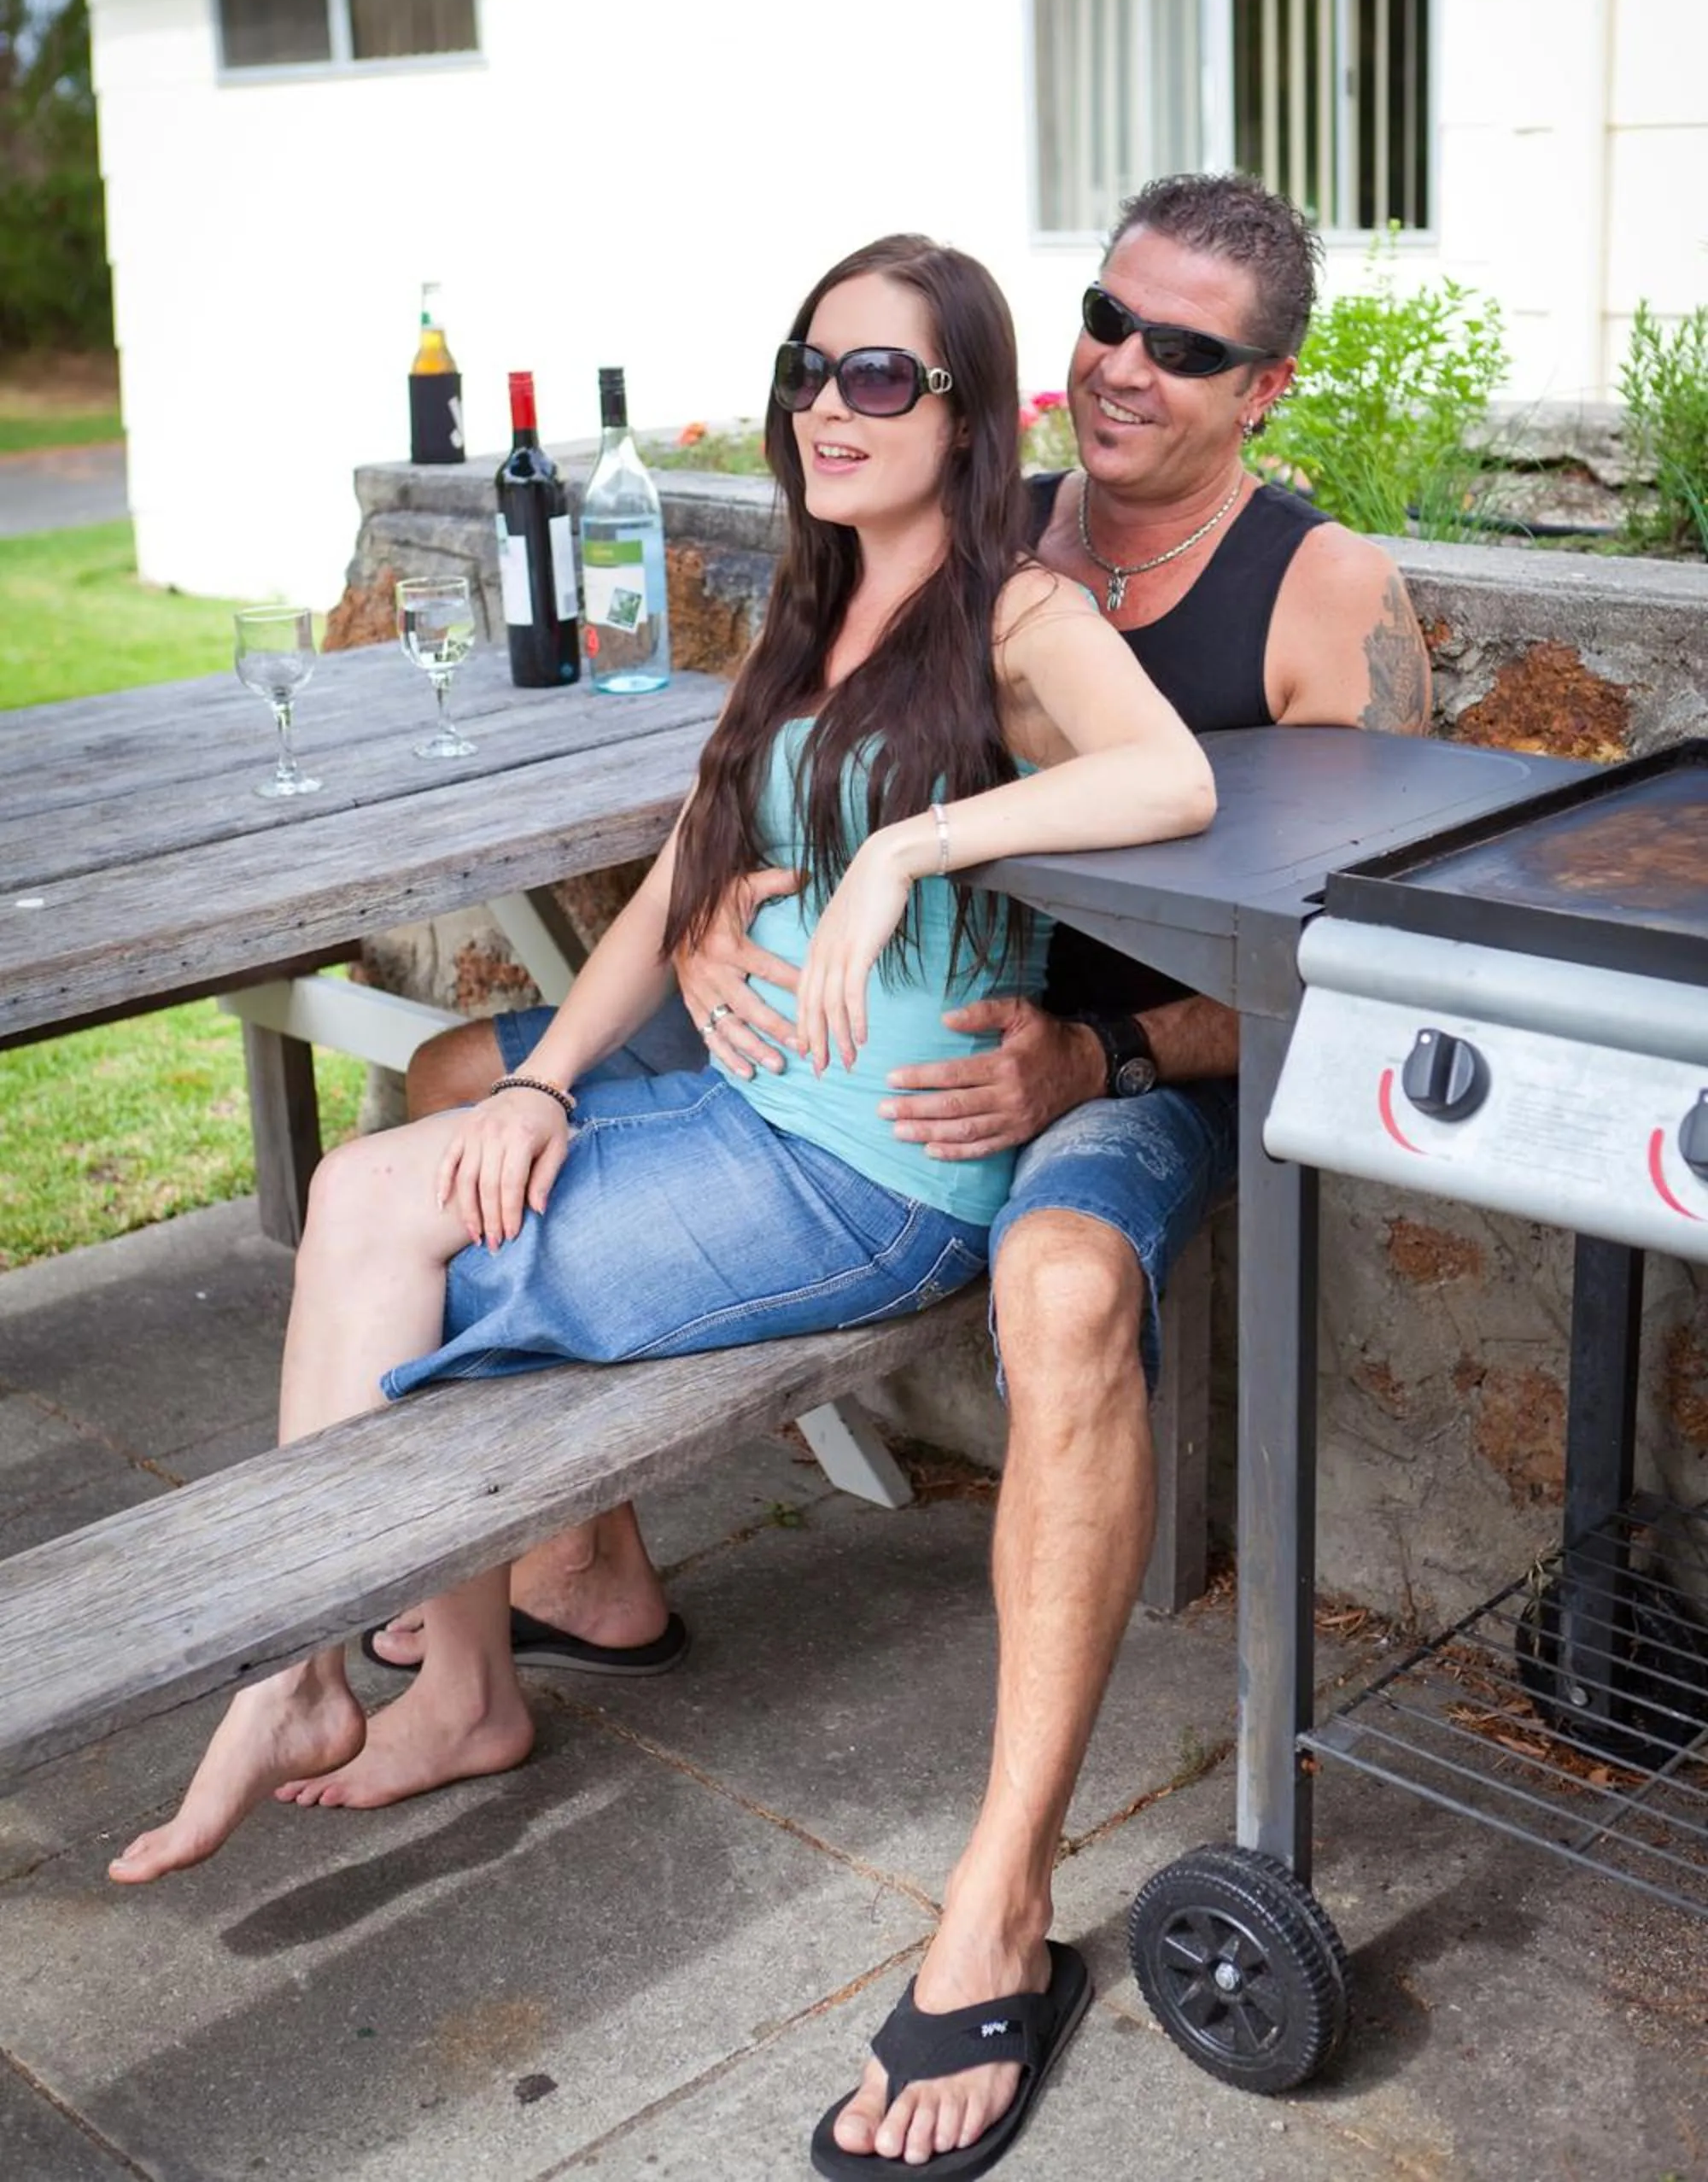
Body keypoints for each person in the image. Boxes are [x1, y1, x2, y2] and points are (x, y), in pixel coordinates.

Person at [105, 214, 1217, 2171]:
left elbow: (1169, 784)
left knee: (384, 1233)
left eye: (878, 376)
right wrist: (541, 1076)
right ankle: (413, 1683)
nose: (826, 407)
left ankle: (326, 1676)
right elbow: (686, 883)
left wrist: (901, 857)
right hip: (746, 1124)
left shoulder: (1014, 618)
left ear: (967, 416)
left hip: (881, 1176)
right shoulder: (802, 610)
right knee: (410, 1170)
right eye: (808, 369)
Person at [381, 174, 1434, 2178]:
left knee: (1056, 1288)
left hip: (1137, 1061)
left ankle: (1001, 1904)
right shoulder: (978, 518)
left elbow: (1347, 953)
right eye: (1107, 321)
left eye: (1185, 348)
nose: (1125, 368)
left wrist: (1107, 1050)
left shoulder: (1319, 593)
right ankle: (585, 1567)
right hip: (892, 1012)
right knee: (451, 1072)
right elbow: (787, 755)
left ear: (1266, 387)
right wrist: (702, 929)